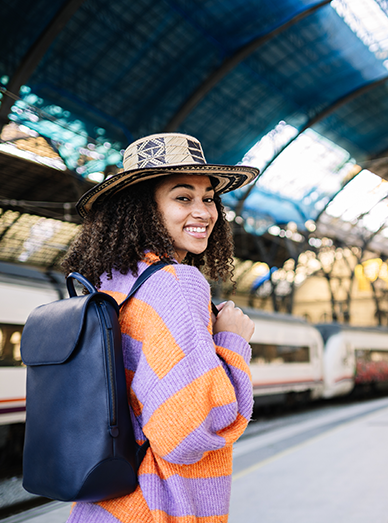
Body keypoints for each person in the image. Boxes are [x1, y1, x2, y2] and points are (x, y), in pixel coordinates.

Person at [62, 132, 259, 523]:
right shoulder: (175, 283)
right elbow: (187, 433)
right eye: (183, 197)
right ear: (143, 208)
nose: (203, 212)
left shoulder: (113, 280)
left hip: (105, 504)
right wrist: (232, 340)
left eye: (209, 198)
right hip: (157, 505)